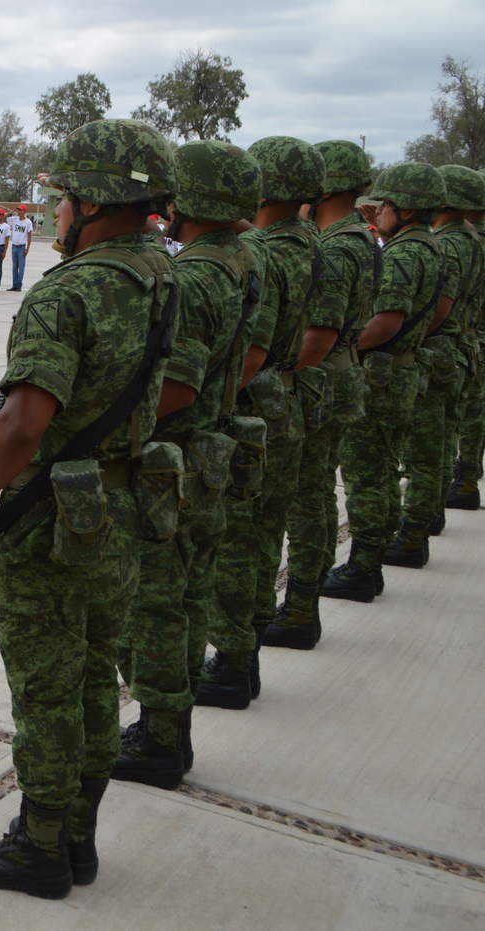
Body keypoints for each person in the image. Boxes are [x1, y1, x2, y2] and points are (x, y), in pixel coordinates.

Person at [0, 118, 175, 900]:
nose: (59, 210)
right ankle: (77, 834)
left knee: (47, 687)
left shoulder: (71, 289)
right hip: (117, 508)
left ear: (100, 202)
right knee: (90, 680)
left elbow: (25, 419)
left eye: (68, 196)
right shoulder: (160, 273)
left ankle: (38, 847)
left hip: (51, 518)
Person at [111, 139, 261, 789]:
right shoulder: (240, 257)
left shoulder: (198, 274)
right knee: (190, 590)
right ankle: (172, 722)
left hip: (179, 452)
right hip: (212, 450)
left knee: (157, 599)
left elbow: (178, 385)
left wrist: (115, 429)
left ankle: (162, 737)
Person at [198, 137, 324, 707]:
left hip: (252, 406)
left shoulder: (266, 249)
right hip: (283, 400)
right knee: (262, 533)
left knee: (235, 542)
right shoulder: (307, 243)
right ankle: (242, 655)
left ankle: (230, 663)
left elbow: (250, 353)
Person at [266, 140, 379, 647]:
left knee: (305, 498)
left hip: (321, 381)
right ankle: (302, 604)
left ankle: (299, 611)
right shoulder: (355, 240)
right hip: (338, 376)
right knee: (311, 495)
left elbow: (318, 336)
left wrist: (281, 375)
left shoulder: (337, 246)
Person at [322, 163, 446, 601]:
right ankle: (370, 563)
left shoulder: (406, 253)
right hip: (401, 370)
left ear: (408, 209)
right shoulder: (427, 247)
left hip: (382, 375)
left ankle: (362, 566)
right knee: (383, 469)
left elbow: (387, 319)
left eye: (388, 204)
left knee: (366, 472)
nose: (380, 211)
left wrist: (349, 349)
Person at [382, 165, 484, 562]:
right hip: (459, 347)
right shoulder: (469, 240)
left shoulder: (448, 244)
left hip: (437, 349)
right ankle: (428, 516)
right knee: (440, 442)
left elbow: (440, 309)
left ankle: (413, 533)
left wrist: (411, 335)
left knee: (424, 448)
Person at [447, 169, 485, 510]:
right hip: (474, 335)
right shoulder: (472, 239)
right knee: (474, 412)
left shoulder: (458, 242)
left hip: (461, 336)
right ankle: (468, 475)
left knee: (457, 416)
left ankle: (464, 479)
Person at [7, 208, 33, 291]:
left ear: (24, 211)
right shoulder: (14, 219)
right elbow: (5, 216)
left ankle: (19, 285)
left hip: (21, 247)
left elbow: (29, 236)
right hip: (14, 246)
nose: (19, 212)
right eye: (18, 210)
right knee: (14, 267)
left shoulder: (28, 222)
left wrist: (27, 249)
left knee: (21, 267)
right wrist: (13, 210)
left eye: (20, 210)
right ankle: (14, 285)